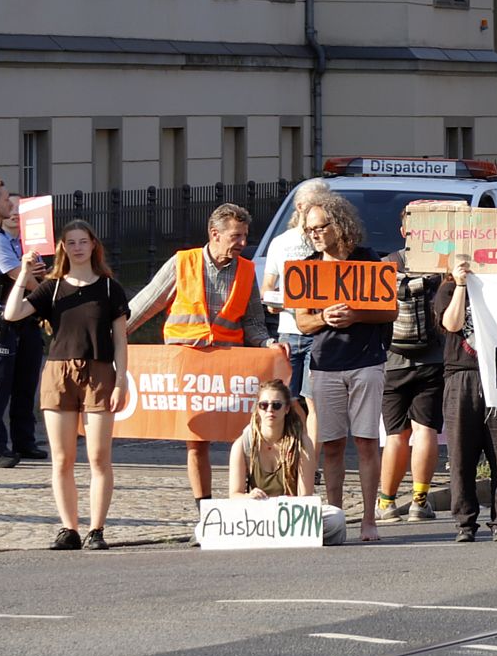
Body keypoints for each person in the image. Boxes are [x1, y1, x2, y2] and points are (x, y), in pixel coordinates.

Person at [128, 203, 276, 510]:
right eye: (236, 236)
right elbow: (144, 305)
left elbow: (253, 323)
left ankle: (251, 502)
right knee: (196, 440)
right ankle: (204, 510)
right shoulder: (183, 263)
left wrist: (266, 344)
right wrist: (111, 334)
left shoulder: (247, 270)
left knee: (246, 437)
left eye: (245, 236)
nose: (243, 243)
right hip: (190, 365)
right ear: (215, 234)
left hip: (231, 365)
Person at [2, 219, 129, 549]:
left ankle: (96, 529)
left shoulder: (108, 288)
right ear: (62, 248)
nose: (77, 247)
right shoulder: (53, 287)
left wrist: (120, 381)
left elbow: (120, 341)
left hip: (100, 372)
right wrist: (25, 273)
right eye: (70, 242)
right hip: (59, 373)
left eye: (82, 241)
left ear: (93, 245)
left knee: (99, 457)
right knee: (62, 458)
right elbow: (12, 314)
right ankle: (68, 528)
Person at [289, 192, 395, 543]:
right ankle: (335, 521)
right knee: (331, 445)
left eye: (321, 227)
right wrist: (323, 317)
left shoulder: (367, 260)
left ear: (339, 224)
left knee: (366, 442)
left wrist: (356, 314)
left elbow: (389, 311)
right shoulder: (307, 267)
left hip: (366, 361)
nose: (316, 234)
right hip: (325, 364)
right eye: (310, 230)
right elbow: (302, 323)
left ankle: (369, 519)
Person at [437, 257, 497, 541]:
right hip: (462, 377)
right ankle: (465, 523)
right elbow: (452, 323)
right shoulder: (447, 290)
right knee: (461, 455)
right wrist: (460, 285)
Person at [376, 207, 448, 524]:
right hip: (432, 358)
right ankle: (420, 500)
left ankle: (386, 504)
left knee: (396, 435)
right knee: (425, 430)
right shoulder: (441, 265)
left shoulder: (385, 265)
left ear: (403, 232)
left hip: (393, 361)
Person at [0, 180, 46, 468]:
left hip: (2, 319)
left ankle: (19, 442)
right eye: (6, 200)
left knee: (14, 382)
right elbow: (21, 276)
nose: (11, 205)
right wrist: (48, 295)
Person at [228, 379, 345, 545]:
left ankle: (275, 535)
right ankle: (274, 535)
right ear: (258, 409)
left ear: (287, 409)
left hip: (289, 514)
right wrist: (248, 497)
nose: (270, 410)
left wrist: (284, 503)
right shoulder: (243, 444)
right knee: (204, 527)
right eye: (264, 405)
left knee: (335, 518)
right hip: (255, 512)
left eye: (276, 405)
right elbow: (234, 494)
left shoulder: (301, 443)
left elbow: (305, 497)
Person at [260, 178, 328, 434]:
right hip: (288, 331)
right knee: (286, 398)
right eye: (314, 207)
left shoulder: (325, 243)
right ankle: (292, 449)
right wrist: (271, 301)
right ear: (300, 207)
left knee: (314, 401)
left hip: (317, 332)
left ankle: (310, 462)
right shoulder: (281, 243)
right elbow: (267, 286)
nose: (318, 215)